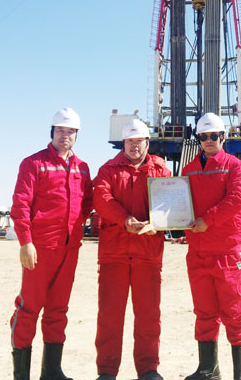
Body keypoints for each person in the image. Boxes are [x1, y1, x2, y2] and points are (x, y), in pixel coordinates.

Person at [10, 108, 92, 380]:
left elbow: (88, 202)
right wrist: (26, 242)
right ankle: (21, 375)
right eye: (60, 131)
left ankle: (52, 372)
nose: (65, 136)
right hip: (41, 248)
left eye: (70, 132)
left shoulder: (82, 167)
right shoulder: (34, 163)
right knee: (29, 308)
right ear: (52, 132)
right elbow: (21, 205)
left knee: (58, 310)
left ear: (77, 135)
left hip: (70, 249)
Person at [93, 118, 171, 380]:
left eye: (139, 141)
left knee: (149, 316)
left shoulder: (161, 170)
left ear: (147, 143)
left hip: (147, 254)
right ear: (123, 143)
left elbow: (170, 203)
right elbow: (102, 198)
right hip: (114, 254)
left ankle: (148, 369)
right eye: (130, 141)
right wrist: (124, 219)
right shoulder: (108, 170)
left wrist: (159, 222)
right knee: (109, 316)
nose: (134, 146)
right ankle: (106, 371)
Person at [182, 112, 241, 380]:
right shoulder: (188, 170)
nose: (209, 140)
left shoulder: (236, 167)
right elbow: (179, 203)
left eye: (214, 136)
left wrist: (206, 220)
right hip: (198, 252)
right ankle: (208, 369)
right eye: (204, 136)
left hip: (226, 253)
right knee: (204, 313)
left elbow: (237, 199)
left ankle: (240, 373)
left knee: (235, 313)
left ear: (223, 137)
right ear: (198, 139)